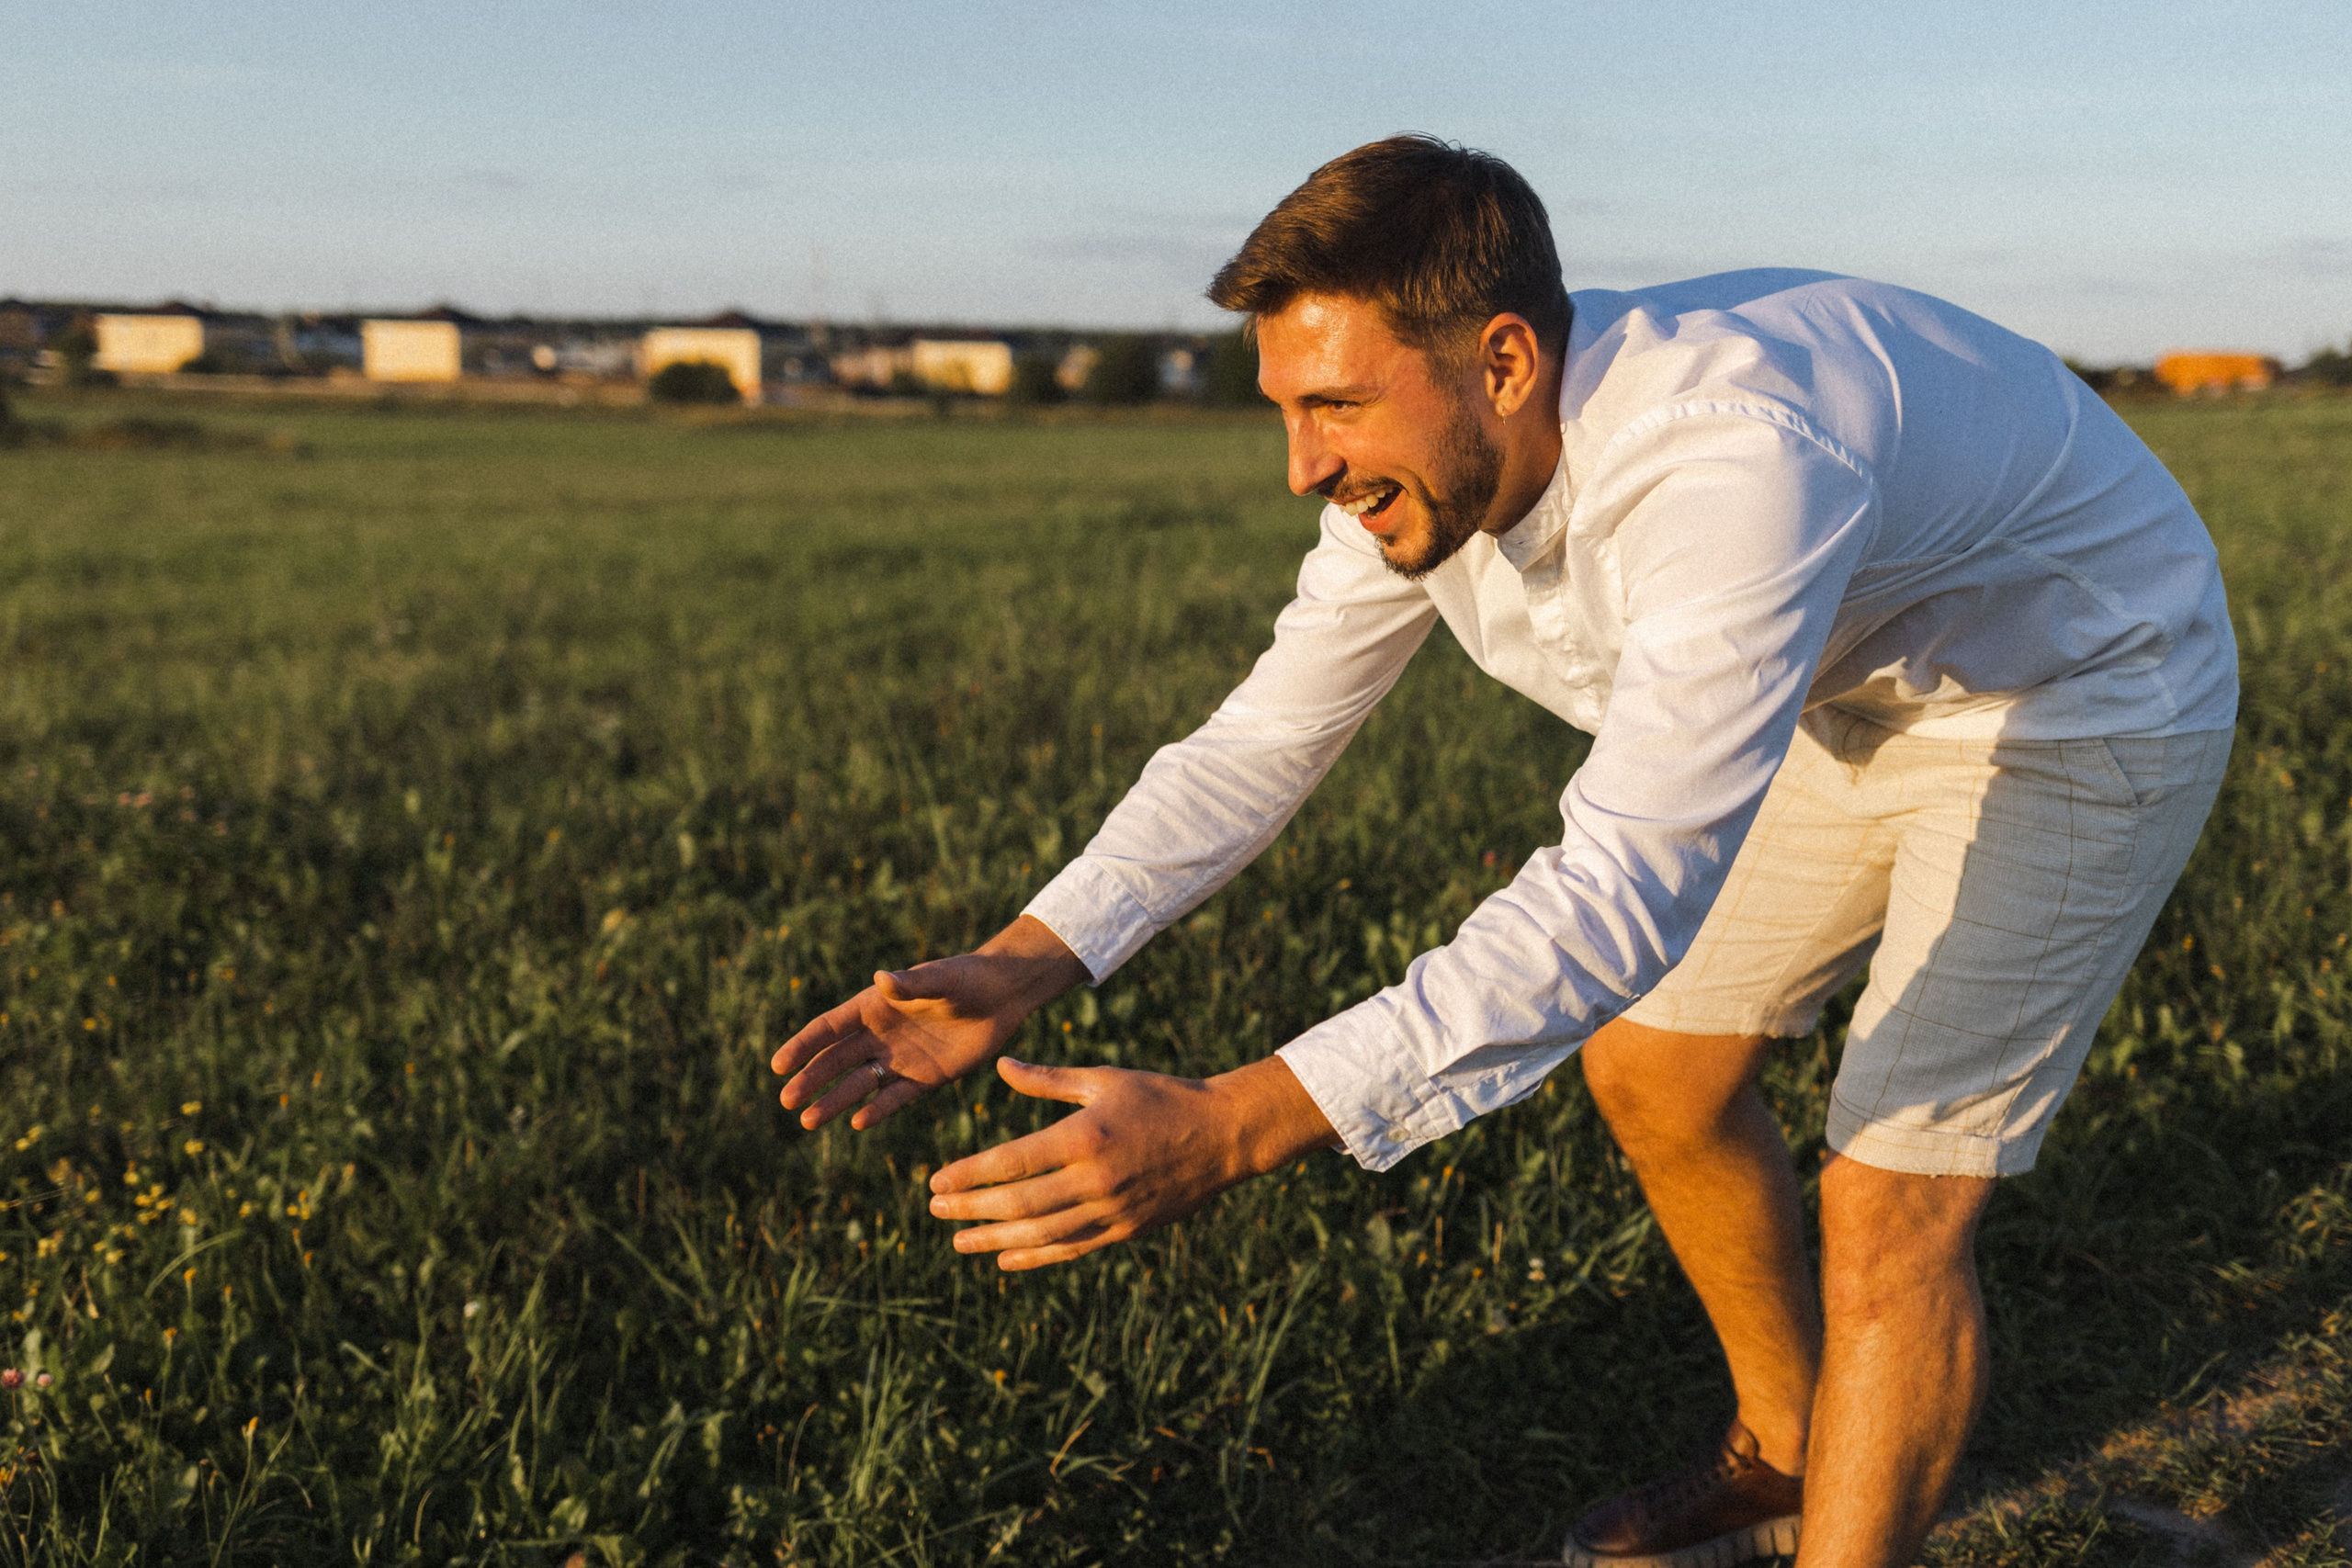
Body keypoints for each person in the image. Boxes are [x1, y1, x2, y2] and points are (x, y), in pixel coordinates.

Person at [770, 135, 2236, 1567]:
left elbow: (1620, 890)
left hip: (2080, 688)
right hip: (1858, 685)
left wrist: (1240, 1123)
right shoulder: (1423, 465)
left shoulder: (1731, 468)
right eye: (1285, 407)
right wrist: (1029, 962)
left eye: (1335, 405)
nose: (1301, 465)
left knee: (1889, 1210)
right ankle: (1788, 1444)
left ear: (1508, 362)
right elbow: (1260, 742)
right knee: (1654, 1071)